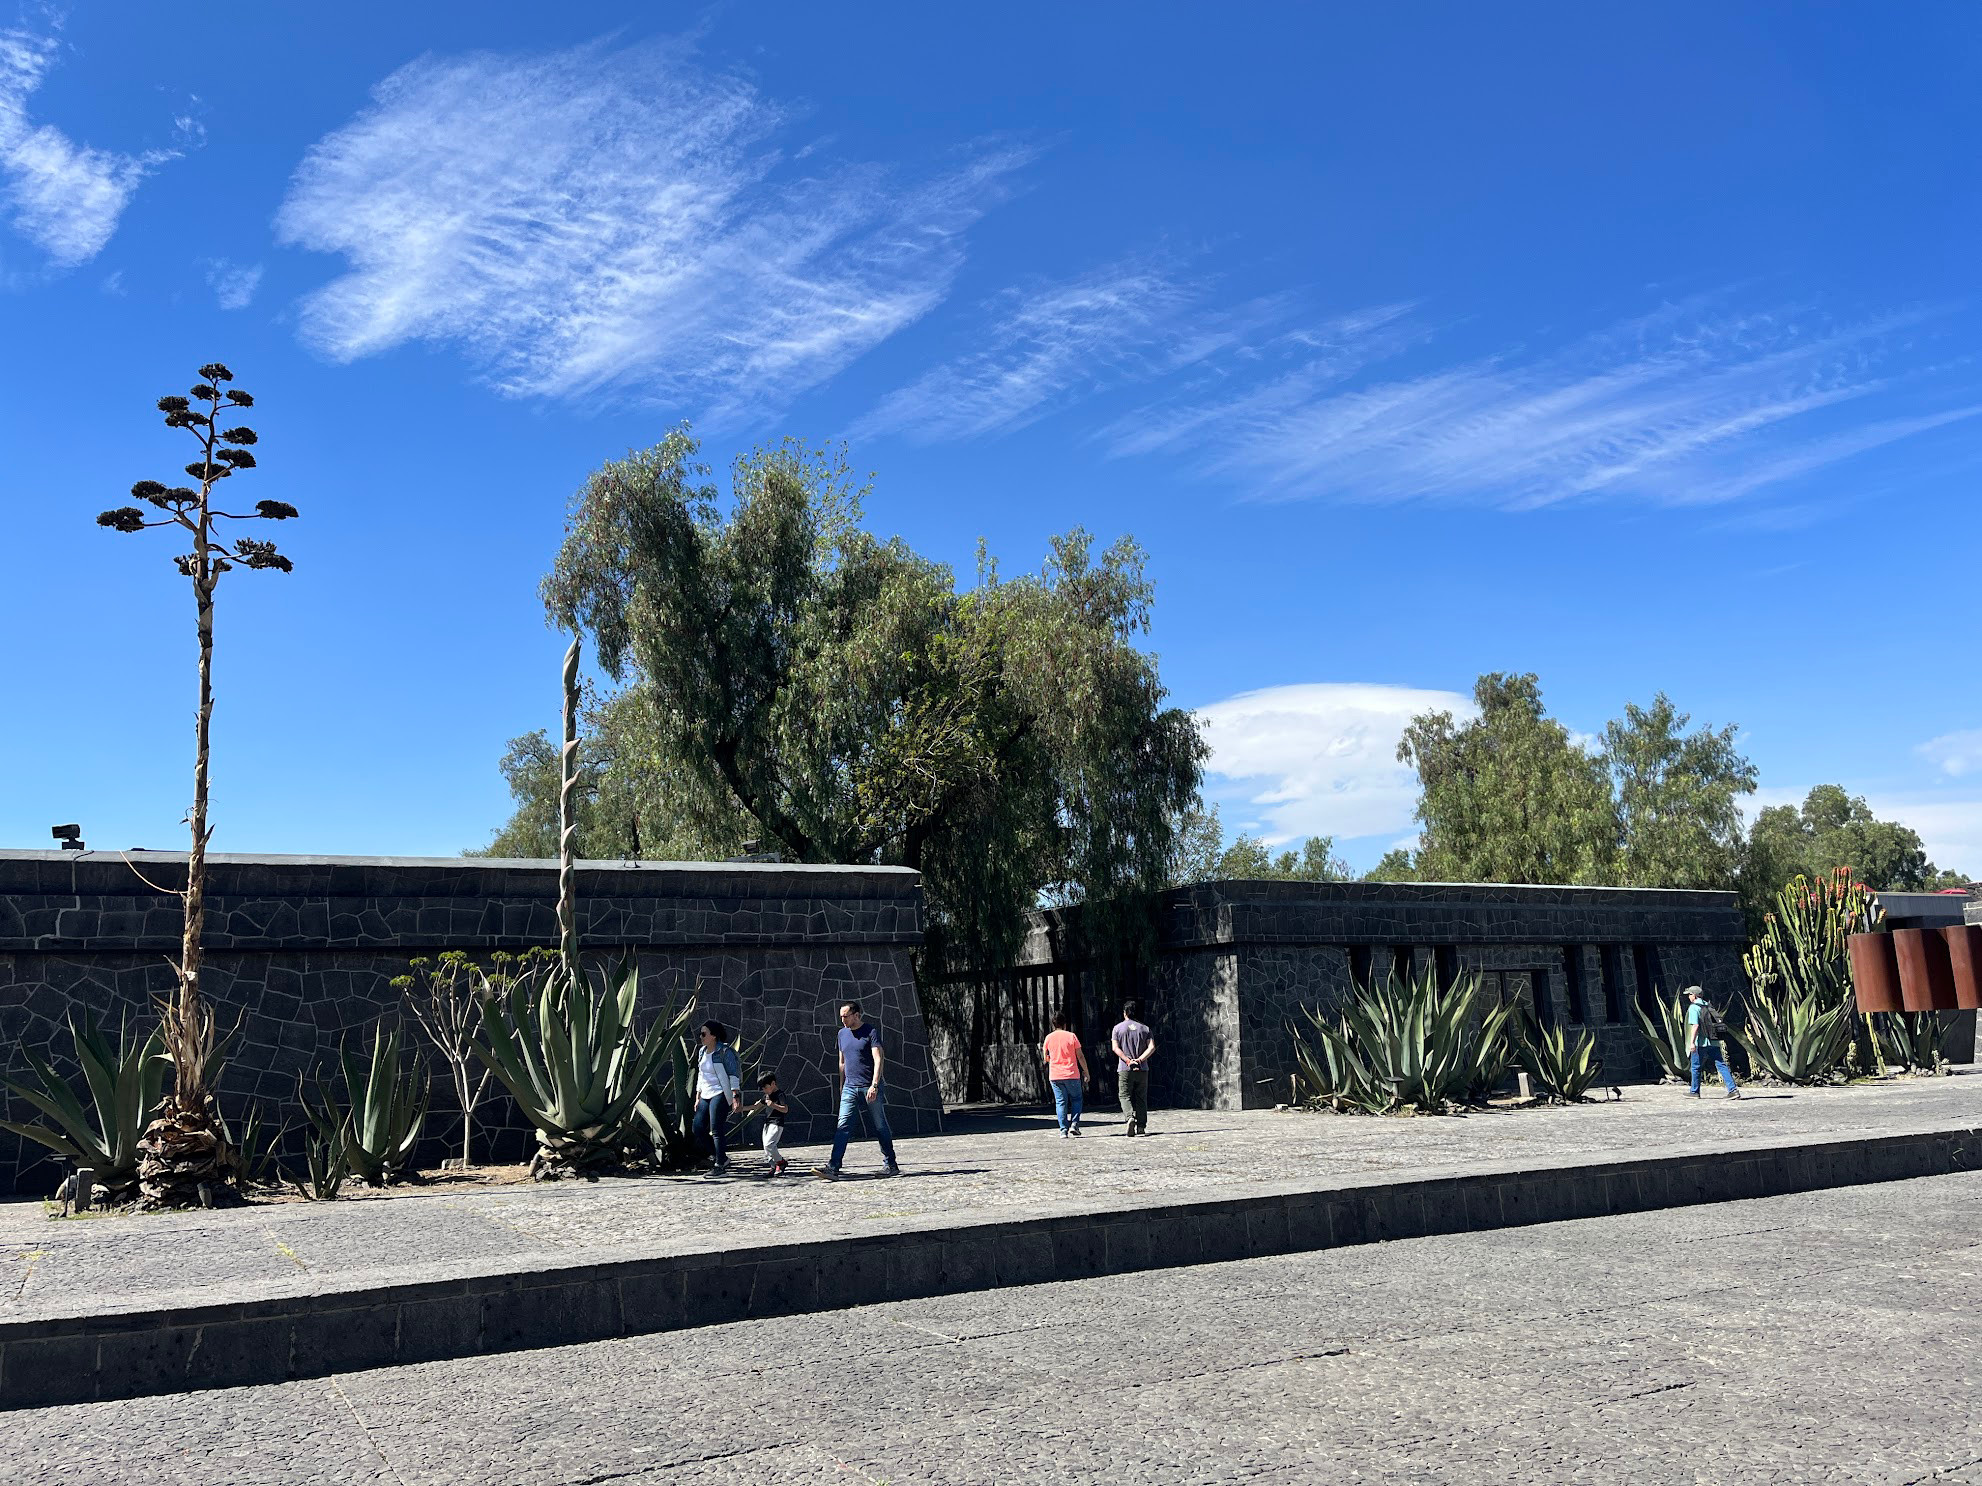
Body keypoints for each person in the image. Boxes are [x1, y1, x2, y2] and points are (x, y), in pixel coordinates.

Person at [817, 1001, 900, 1179]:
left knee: (880, 1125)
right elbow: (842, 1062)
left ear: (856, 1015)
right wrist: (841, 1086)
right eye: (841, 1016)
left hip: (870, 1087)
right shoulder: (841, 1034)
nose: (843, 1020)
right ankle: (833, 1167)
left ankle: (890, 1164)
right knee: (843, 1126)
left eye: (846, 1016)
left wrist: (875, 1084)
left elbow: (879, 1059)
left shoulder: (870, 1032)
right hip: (849, 1088)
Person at [692, 1019, 743, 1173]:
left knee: (716, 1129)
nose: (700, 1037)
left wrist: (735, 1096)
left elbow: (733, 1074)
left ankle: (719, 1165)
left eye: (703, 1034)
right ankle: (720, 1156)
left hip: (720, 1093)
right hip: (706, 1093)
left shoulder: (724, 1052)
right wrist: (697, 1096)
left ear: (713, 1036)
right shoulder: (702, 1052)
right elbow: (701, 1075)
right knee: (698, 1127)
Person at [1684, 985, 1740, 1099]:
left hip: (1701, 1042)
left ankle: (1694, 1091)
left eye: (1690, 994)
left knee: (1695, 1067)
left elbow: (1695, 1026)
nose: (1688, 997)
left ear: (1694, 996)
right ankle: (1733, 1090)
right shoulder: (1708, 1005)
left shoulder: (1694, 1007)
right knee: (1721, 1065)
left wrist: (1692, 1043)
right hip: (1713, 1041)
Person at [1110, 999, 1157, 1136]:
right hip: (1142, 1069)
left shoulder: (1117, 1028)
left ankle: (1130, 1117)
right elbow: (1152, 1047)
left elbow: (1115, 1048)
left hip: (1125, 1068)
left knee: (1124, 1095)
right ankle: (1141, 1126)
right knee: (1141, 1097)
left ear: (1125, 1013)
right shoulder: (1145, 1028)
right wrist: (1140, 1059)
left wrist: (1127, 1060)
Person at [1042, 1011, 1090, 1138]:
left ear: (1053, 1025)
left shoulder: (1048, 1038)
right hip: (1071, 1074)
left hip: (1055, 1075)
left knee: (1060, 1102)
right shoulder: (1071, 1036)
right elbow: (1080, 1056)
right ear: (1065, 1024)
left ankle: (1063, 1130)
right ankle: (1074, 1124)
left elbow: (1046, 1058)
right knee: (1076, 1099)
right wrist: (1086, 1071)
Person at [748, 1071, 790, 1177]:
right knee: (766, 1147)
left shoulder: (780, 1095)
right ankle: (773, 1165)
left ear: (773, 1084)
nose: (764, 1090)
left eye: (765, 1087)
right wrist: (742, 1108)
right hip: (767, 1123)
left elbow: (785, 1109)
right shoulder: (767, 1096)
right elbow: (757, 1105)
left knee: (769, 1144)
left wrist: (773, 1105)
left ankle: (781, 1162)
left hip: (776, 1123)